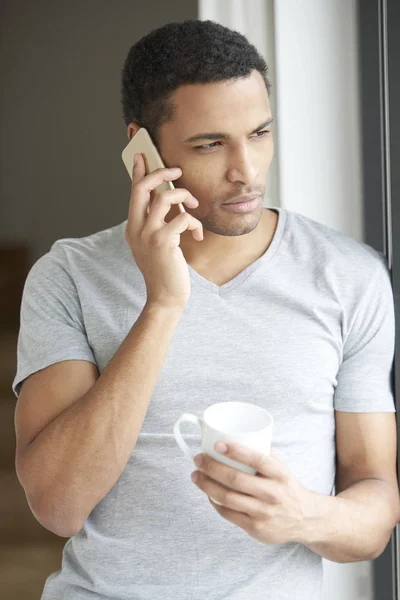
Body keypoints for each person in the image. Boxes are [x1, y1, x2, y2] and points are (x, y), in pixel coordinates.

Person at [12, 19, 399, 600]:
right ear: (142, 148)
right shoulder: (68, 277)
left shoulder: (350, 277)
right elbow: (56, 506)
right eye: (211, 144)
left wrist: (302, 516)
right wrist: (163, 304)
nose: (247, 170)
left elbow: (374, 506)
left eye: (260, 132)